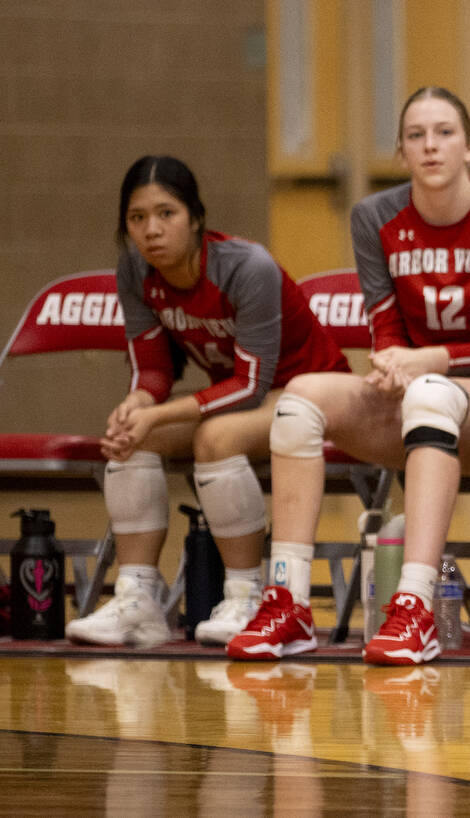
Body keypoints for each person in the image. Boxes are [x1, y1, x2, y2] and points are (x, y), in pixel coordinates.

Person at [230, 87, 470, 662]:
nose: (430, 146)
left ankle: (415, 608)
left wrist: (429, 361)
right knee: (298, 400)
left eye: (444, 132)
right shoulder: (374, 216)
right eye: (416, 136)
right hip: (414, 395)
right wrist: (394, 359)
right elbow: (386, 325)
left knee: (428, 391)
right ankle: (289, 602)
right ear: (400, 152)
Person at [66, 155, 350, 649]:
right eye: (137, 218)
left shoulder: (247, 268)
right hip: (246, 397)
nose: (151, 230)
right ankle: (139, 601)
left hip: (310, 391)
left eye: (166, 214)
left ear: (196, 218)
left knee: (215, 437)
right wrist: (137, 403)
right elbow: (154, 368)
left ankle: (246, 596)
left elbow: (249, 386)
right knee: (134, 437)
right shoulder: (135, 269)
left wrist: (157, 411)